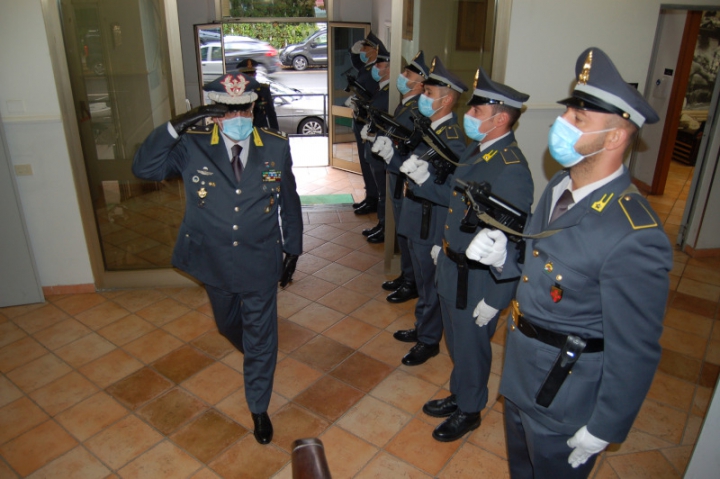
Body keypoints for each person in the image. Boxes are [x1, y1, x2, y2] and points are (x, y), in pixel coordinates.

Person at [465, 47, 673, 477]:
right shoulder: (560, 186)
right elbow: (539, 266)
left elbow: (634, 349)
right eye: (567, 113)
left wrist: (604, 426)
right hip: (523, 372)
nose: (561, 124)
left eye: (578, 120)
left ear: (614, 137)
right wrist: (506, 259)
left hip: (567, 394)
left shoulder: (635, 234)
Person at [132, 71, 303, 445]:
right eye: (227, 111)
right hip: (212, 259)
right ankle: (258, 353)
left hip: (260, 259)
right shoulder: (192, 145)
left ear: (254, 106)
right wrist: (176, 127)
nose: (237, 119)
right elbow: (144, 169)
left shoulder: (275, 144)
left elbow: (288, 198)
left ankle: (258, 406)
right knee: (228, 326)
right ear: (212, 112)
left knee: (260, 334)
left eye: (244, 109)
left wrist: (294, 246)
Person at [419, 67, 533, 443]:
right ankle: (460, 392)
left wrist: (498, 298)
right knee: (457, 341)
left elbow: (513, 242)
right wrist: (442, 242)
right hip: (454, 266)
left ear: (500, 119)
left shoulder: (512, 169)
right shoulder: (478, 149)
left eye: (477, 113)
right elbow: (457, 205)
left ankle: (470, 409)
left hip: (479, 281)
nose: (469, 117)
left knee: (473, 346)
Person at [375, 57, 467, 366]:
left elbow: (452, 193)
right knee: (424, 284)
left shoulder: (452, 139)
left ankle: (429, 341)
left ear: (448, 99)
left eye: (429, 93)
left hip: (431, 222)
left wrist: (422, 180)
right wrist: (390, 158)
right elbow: (408, 168)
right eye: (424, 92)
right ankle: (423, 328)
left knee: (431, 284)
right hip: (415, 216)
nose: (424, 98)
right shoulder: (427, 129)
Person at [365, 50, 429, 302]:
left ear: (420, 82)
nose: (402, 77)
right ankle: (406, 274)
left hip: (405, 174)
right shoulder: (406, 103)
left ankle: (411, 280)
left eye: (407, 73)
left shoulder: (416, 108)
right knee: (402, 229)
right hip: (397, 170)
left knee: (407, 231)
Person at [360, 41, 391, 244]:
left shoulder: (390, 93)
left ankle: (385, 227)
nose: (376, 69)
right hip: (373, 149)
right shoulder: (382, 89)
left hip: (382, 152)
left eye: (380, 65)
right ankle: (381, 224)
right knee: (380, 192)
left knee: (383, 192)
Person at [347, 32, 381, 215]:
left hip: (367, 123)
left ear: (375, 50)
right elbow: (358, 64)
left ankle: (374, 197)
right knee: (364, 161)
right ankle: (370, 195)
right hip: (360, 121)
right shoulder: (368, 66)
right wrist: (353, 51)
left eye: (365, 48)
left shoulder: (377, 70)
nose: (362, 51)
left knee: (370, 163)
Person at [236, 58, 279, 130]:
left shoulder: (263, 89)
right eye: (247, 74)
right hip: (242, 129)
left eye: (252, 73)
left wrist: (275, 132)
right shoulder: (236, 91)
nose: (250, 76)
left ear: (255, 74)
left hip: (261, 129)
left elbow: (271, 113)